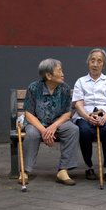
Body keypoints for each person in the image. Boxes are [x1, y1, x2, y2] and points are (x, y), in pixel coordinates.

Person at [21, 58, 79, 186]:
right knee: (32, 134)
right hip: (36, 123)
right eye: (59, 71)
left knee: (72, 130)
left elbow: (67, 113)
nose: (63, 73)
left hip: (58, 122)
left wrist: (53, 126)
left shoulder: (64, 88)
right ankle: (25, 170)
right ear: (48, 75)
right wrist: (44, 130)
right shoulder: (34, 88)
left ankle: (63, 170)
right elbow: (29, 114)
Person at [72, 48, 106, 182]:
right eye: (92, 60)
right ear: (88, 63)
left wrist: (104, 118)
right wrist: (87, 117)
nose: (95, 64)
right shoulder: (80, 81)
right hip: (85, 114)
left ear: (103, 64)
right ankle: (89, 167)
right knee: (84, 130)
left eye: (99, 61)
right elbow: (78, 104)